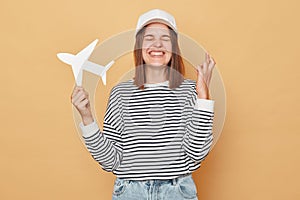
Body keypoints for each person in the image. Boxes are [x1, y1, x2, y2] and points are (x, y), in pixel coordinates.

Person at [71, 9, 216, 200]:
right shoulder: (120, 94)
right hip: (130, 193)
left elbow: (196, 154)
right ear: (139, 46)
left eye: (165, 38)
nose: (157, 44)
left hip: (177, 193)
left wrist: (203, 97)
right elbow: (111, 161)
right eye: (149, 38)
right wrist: (87, 117)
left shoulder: (190, 91)